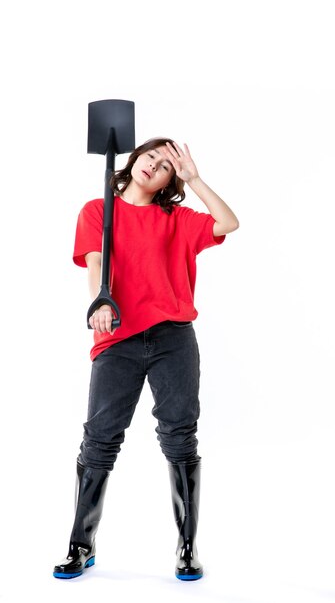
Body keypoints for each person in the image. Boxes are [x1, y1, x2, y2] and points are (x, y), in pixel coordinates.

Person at [53, 138, 239, 581]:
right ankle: (82, 543)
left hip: (173, 338)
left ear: (170, 181)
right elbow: (97, 263)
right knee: (99, 439)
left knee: (179, 436)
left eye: (164, 167)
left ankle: (188, 545)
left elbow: (228, 222)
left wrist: (195, 179)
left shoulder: (177, 219)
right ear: (133, 159)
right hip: (118, 337)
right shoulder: (98, 212)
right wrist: (101, 300)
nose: (152, 167)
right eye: (149, 157)